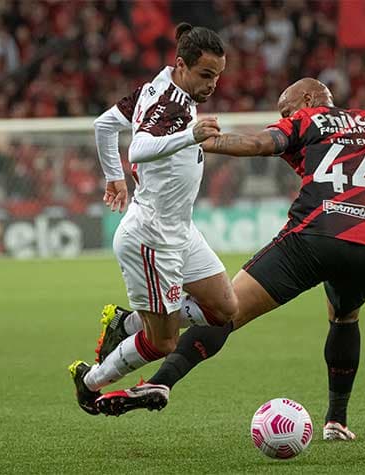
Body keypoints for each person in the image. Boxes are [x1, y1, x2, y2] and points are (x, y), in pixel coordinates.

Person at [94, 79, 365, 441]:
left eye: (286, 108)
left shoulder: (305, 120)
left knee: (226, 310)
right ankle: (337, 421)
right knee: (345, 318)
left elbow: (254, 144)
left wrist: (192, 142)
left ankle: (160, 381)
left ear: (308, 100)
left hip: (312, 237)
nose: (284, 118)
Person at [68, 23, 239, 416]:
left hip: (181, 230)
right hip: (151, 237)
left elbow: (105, 124)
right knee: (161, 342)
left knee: (224, 309)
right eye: (206, 74)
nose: (213, 84)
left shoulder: (157, 88)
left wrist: (113, 175)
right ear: (181, 65)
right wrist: (190, 136)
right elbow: (141, 148)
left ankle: (125, 325)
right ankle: (90, 381)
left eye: (217, 76)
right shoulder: (172, 106)